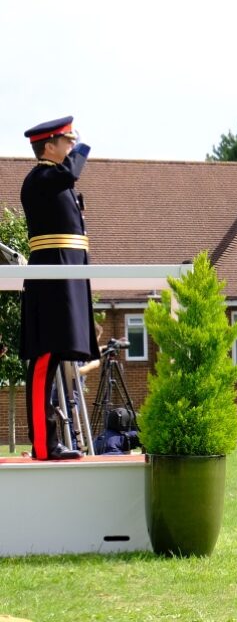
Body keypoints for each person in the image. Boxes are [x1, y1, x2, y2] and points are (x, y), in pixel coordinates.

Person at [19, 116, 100, 460]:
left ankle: (50, 441)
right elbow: (70, 171)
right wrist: (82, 143)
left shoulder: (56, 180)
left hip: (65, 279)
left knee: (52, 358)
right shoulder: (41, 178)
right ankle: (42, 443)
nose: (71, 147)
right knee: (44, 361)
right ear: (48, 146)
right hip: (50, 282)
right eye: (66, 140)